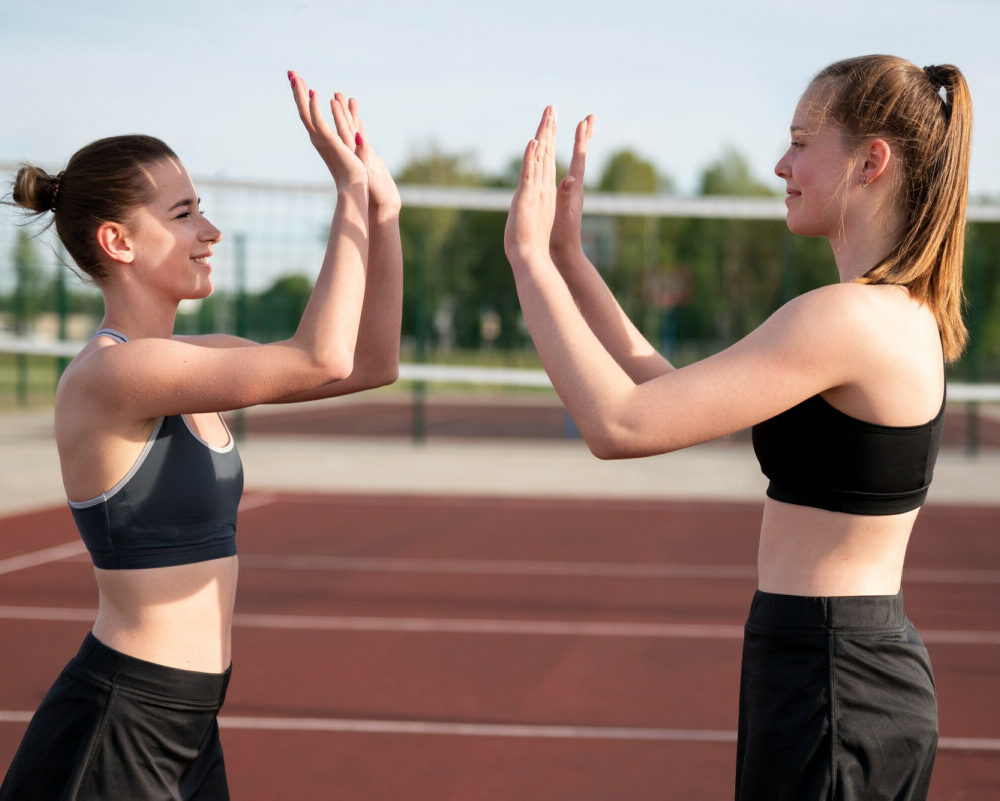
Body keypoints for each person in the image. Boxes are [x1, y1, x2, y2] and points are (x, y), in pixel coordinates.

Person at [504, 54, 971, 801]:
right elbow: (666, 395)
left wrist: (525, 260)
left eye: (800, 141)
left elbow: (617, 424)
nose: (780, 163)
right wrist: (567, 259)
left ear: (871, 160)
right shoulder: (883, 312)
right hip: (834, 661)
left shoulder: (847, 317)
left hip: (833, 673)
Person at [1, 71, 402, 800]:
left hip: (189, 726)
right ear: (117, 241)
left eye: (203, 211)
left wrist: (383, 213)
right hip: (120, 726)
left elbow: (372, 362)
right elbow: (322, 355)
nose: (209, 231)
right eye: (184, 214)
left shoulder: (199, 359)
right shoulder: (111, 375)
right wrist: (346, 192)